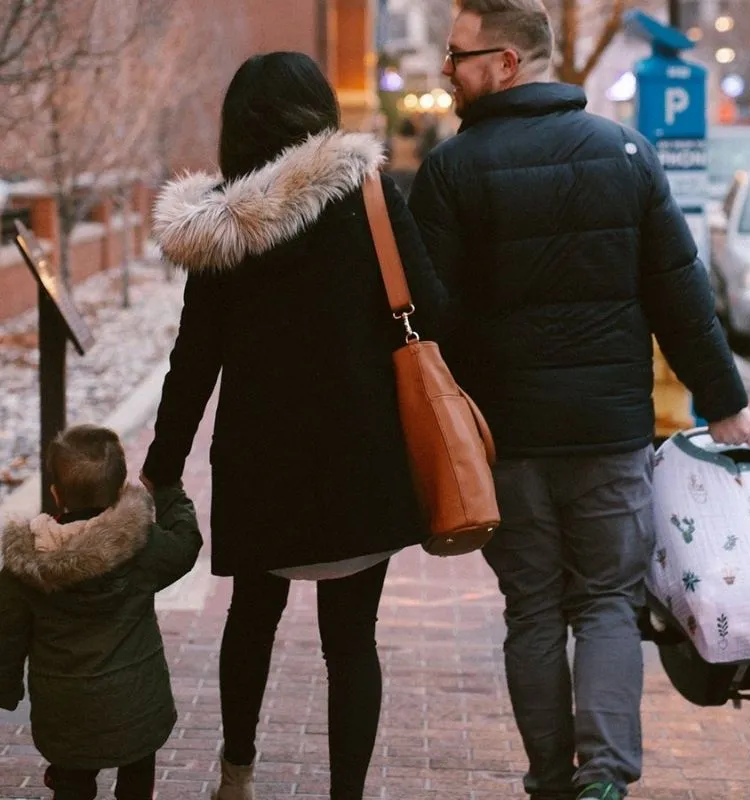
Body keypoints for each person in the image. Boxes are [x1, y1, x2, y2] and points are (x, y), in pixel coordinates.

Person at [407, 2, 750, 799]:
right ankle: (604, 780)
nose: (448, 73)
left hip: (508, 440)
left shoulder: (451, 172)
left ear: (506, 63)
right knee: (606, 603)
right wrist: (725, 399)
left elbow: (433, 320)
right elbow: (680, 293)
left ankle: (548, 779)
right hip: (608, 433)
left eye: (459, 57)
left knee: (532, 609)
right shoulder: (625, 154)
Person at [140, 53, 451, 800]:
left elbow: (194, 363)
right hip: (363, 461)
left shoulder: (224, 227)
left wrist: (161, 467)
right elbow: (434, 311)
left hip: (260, 464)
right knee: (352, 643)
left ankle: (235, 774)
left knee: (251, 620)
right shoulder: (372, 198)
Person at [0, 424, 202, 800]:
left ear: (56, 494)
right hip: (136, 706)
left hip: (66, 713)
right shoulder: (141, 546)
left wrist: (6, 687)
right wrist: (170, 492)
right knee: (137, 776)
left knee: (73, 783)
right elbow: (186, 546)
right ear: (119, 492)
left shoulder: (25, 568)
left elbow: (8, 635)